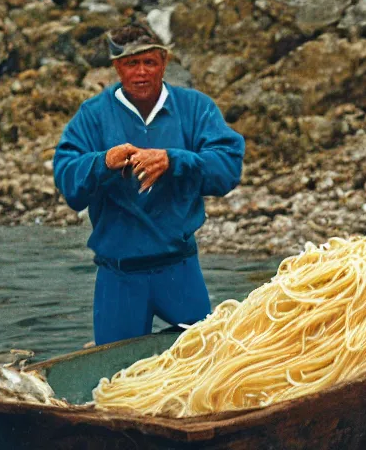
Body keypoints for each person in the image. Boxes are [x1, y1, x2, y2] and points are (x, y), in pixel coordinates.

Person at [53, 22, 246, 346]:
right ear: (117, 67)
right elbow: (68, 180)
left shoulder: (195, 107)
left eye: (149, 62)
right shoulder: (93, 115)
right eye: (131, 63)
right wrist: (103, 162)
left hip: (179, 267)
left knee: (206, 360)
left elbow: (227, 166)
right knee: (112, 379)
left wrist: (175, 160)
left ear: (164, 63)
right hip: (119, 275)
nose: (141, 72)